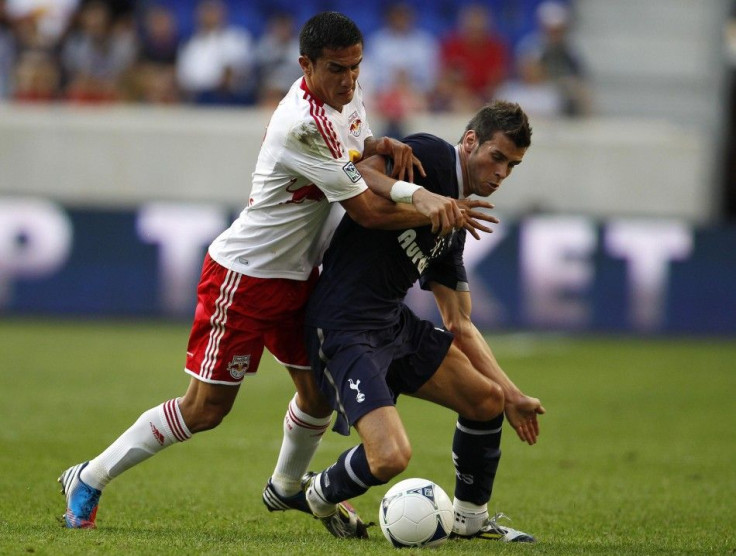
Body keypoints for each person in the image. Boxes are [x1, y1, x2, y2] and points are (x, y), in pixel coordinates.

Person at [58, 11, 491, 539]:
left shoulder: (344, 95)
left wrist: (383, 145)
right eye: (337, 69)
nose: (350, 80)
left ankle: (286, 487)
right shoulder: (300, 123)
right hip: (245, 277)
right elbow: (366, 211)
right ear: (305, 65)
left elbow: (357, 150)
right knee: (206, 409)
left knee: (317, 396)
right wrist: (430, 204)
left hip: (299, 276)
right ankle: (90, 475)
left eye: (356, 67)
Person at [302, 100, 546, 543]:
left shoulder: (456, 219)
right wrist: (419, 194)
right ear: (470, 141)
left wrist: (513, 395)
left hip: (393, 325)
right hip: (345, 326)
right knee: (391, 457)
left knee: (486, 400)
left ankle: (471, 521)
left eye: (512, 166)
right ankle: (319, 493)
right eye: (497, 158)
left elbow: (459, 321)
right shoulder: (432, 157)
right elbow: (353, 172)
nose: (501, 174)